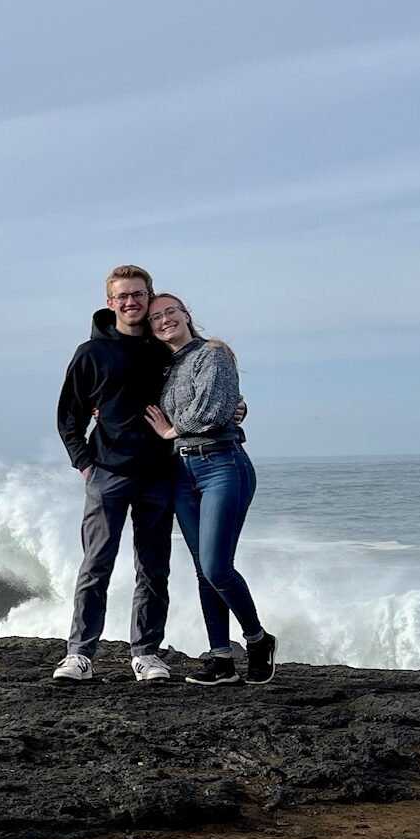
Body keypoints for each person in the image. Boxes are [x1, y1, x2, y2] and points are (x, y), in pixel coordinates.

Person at [143, 293, 277, 685]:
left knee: (218, 567)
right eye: (156, 317)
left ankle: (256, 638)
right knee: (204, 571)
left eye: (171, 311)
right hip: (181, 474)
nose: (165, 319)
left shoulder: (213, 354)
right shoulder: (162, 368)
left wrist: (172, 428)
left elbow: (213, 411)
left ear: (187, 315)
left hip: (221, 465)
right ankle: (221, 659)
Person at [52, 265, 178, 684]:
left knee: (154, 568)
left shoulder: (166, 349)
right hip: (107, 474)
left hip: (159, 474)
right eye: (123, 296)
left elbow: (201, 390)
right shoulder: (91, 353)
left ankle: (146, 654)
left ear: (149, 296)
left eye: (138, 294)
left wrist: (237, 409)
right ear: (110, 302)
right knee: (96, 565)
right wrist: (85, 463)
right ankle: (80, 654)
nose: (131, 302)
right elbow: (69, 416)